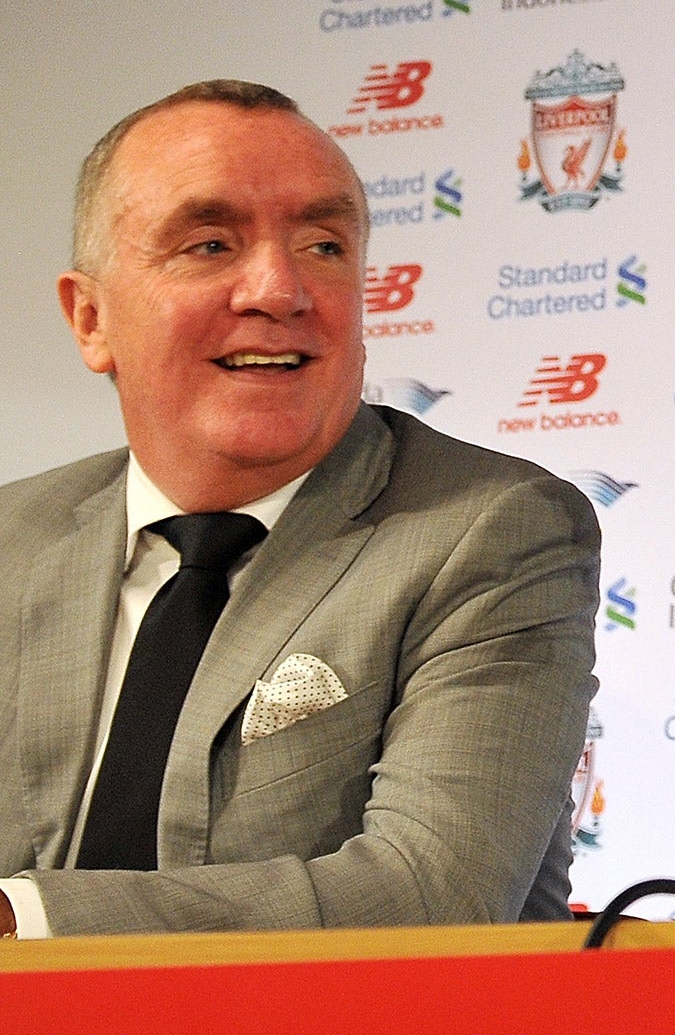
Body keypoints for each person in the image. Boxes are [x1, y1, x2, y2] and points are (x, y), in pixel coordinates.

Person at [0, 81, 599, 936]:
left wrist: (21, 918)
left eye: (323, 245)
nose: (279, 289)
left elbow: (431, 895)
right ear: (90, 318)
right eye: (210, 244)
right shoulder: (11, 542)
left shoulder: (493, 530)